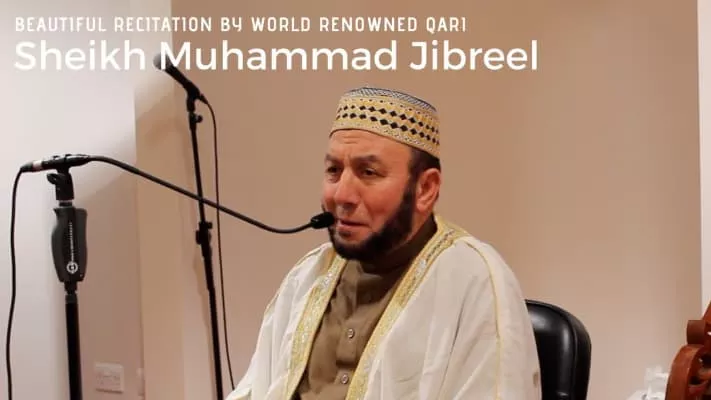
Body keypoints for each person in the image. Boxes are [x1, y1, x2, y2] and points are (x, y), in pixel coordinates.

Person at [226, 87, 541, 399]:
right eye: (334, 170)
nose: (342, 195)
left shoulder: (475, 282)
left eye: (368, 172)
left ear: (425, 189)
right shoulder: (308, 276)